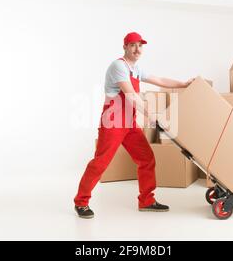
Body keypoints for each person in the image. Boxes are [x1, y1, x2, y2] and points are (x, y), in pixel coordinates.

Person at [73, 32, 195, 219]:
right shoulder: (118, 66)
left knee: (146, 158)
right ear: (125, 47)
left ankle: (146, 201)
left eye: (140, 46)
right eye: (133, 45)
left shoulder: (136, 69)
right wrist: (151, 115)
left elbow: (160, 80)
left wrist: (183, 84)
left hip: (129, 123)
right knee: (101, 162)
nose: (137, 49)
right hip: (113, 122)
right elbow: (130, 95)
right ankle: (81, 202)